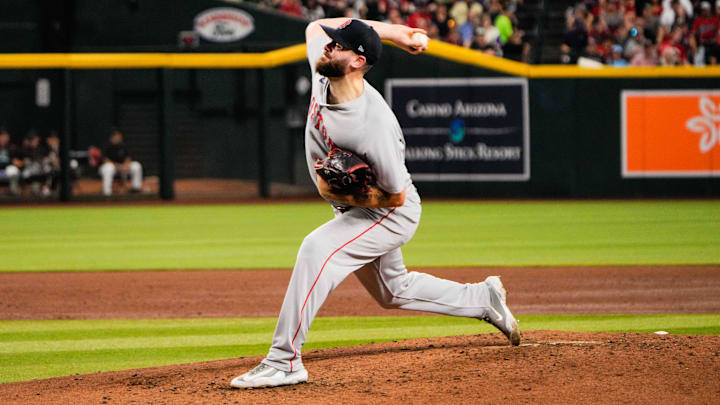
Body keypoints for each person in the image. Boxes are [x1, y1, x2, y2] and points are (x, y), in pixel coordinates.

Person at [229, 17, 521, 389]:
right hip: (356, 207)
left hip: (389, 212)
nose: (328, 46)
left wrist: (339, 191)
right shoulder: (326, 71)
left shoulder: (372, 125)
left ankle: (284, 361)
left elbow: (394, 194)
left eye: (339, 45)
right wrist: (396, 33)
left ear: (357, 62)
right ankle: (483, 298)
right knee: (392, 291)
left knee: (317, 249)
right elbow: (315, 26)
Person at [99, 129, 143, 196]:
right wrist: (118, 166)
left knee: (136, 165)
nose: (118, 138)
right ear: (111, 138)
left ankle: (136, 188)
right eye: (116, 137)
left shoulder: (123, 145)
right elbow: (105, 160)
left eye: (119, 137)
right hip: (109, 168)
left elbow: (128, 157)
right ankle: (107, 193)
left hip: (122, 167)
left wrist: (126, 165)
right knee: (109, 168)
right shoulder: (106, 146)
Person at [0, 129, 21, 195]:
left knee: (14, 170)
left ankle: (13, 192)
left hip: (5, 171)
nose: (5, 138)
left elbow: (15, 161)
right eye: (3, 136)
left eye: (6, 136)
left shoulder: (10, 148)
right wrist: (10, 162)